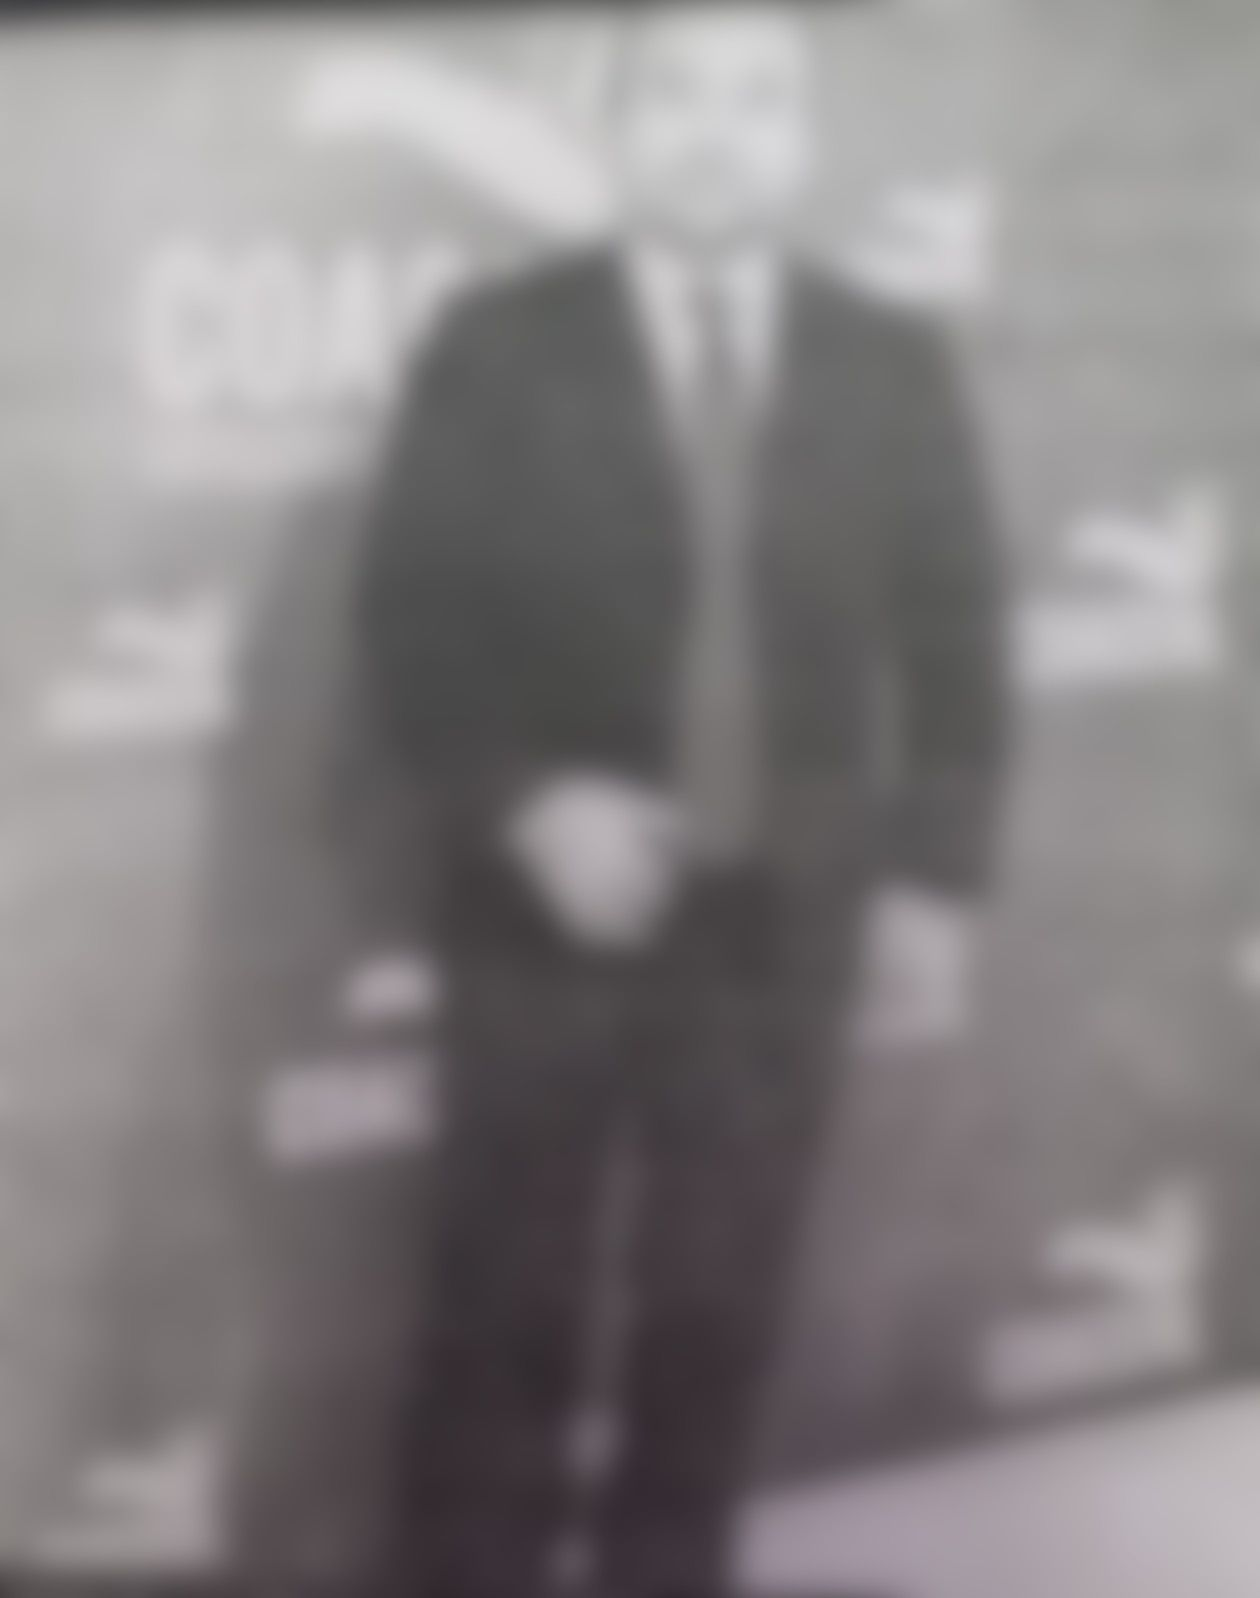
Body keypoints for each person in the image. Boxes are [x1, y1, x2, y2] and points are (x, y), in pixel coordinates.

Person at [358, 6, 1011, 1598]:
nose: (718, 133)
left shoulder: (890, 357)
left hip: (779, 929)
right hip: (543, 920)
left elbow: (960, 642)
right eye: (678, 94)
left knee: (713, 1327)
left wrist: (933, 877)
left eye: (760, 98)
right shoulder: (497, 342)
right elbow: (408, 623)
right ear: (617, 122)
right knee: (499, 1317)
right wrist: (530, 805)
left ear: (809, 134)